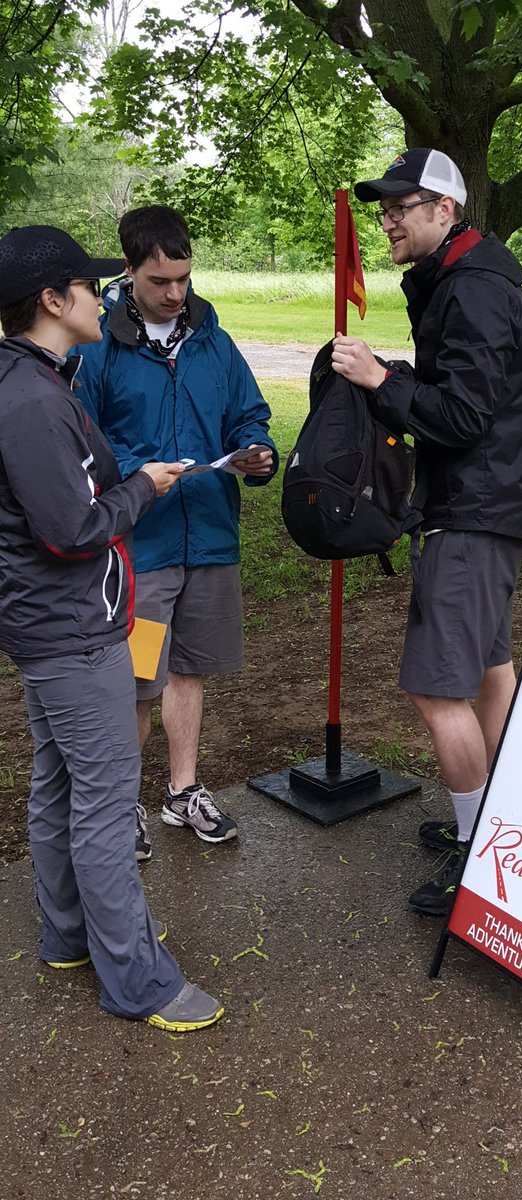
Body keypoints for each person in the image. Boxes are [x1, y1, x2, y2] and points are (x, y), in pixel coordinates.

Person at [0, 225, 223, 1029]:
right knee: (101, 803)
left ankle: (65, 934)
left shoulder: (35, 380)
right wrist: (143, 489)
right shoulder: (28, 397)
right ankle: (139, 982)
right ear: (53, 302)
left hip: (52, 627)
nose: (106, 296)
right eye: (91, 288)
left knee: (58, 785)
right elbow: (69, 529)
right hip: (72, 631)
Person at [332, 148, 522, 916]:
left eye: (402, 205)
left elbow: (461, 416)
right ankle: (504, 822)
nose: (387, 218)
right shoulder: (463, 281)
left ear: (445, 210)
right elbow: (462, 392)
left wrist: (381, 382)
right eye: (383, 207)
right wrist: (394, 372)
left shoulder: (475, 292)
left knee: (434, 691)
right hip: (488, 505)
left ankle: (482, 858)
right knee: (489, 670)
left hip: (474, 511)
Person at [74, 206, 278, 861]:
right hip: (143, 549)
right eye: (160, 280)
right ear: (128, 270)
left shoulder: (213, 339)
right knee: (138, 681)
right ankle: (123, 804)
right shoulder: (97, 345)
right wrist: (139, 472)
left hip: (211, 540)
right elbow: (82, 440)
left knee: (190, 671)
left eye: (184, 278)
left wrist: (255, 449)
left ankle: (182, 792)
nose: (175, 293)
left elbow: (248, 412)